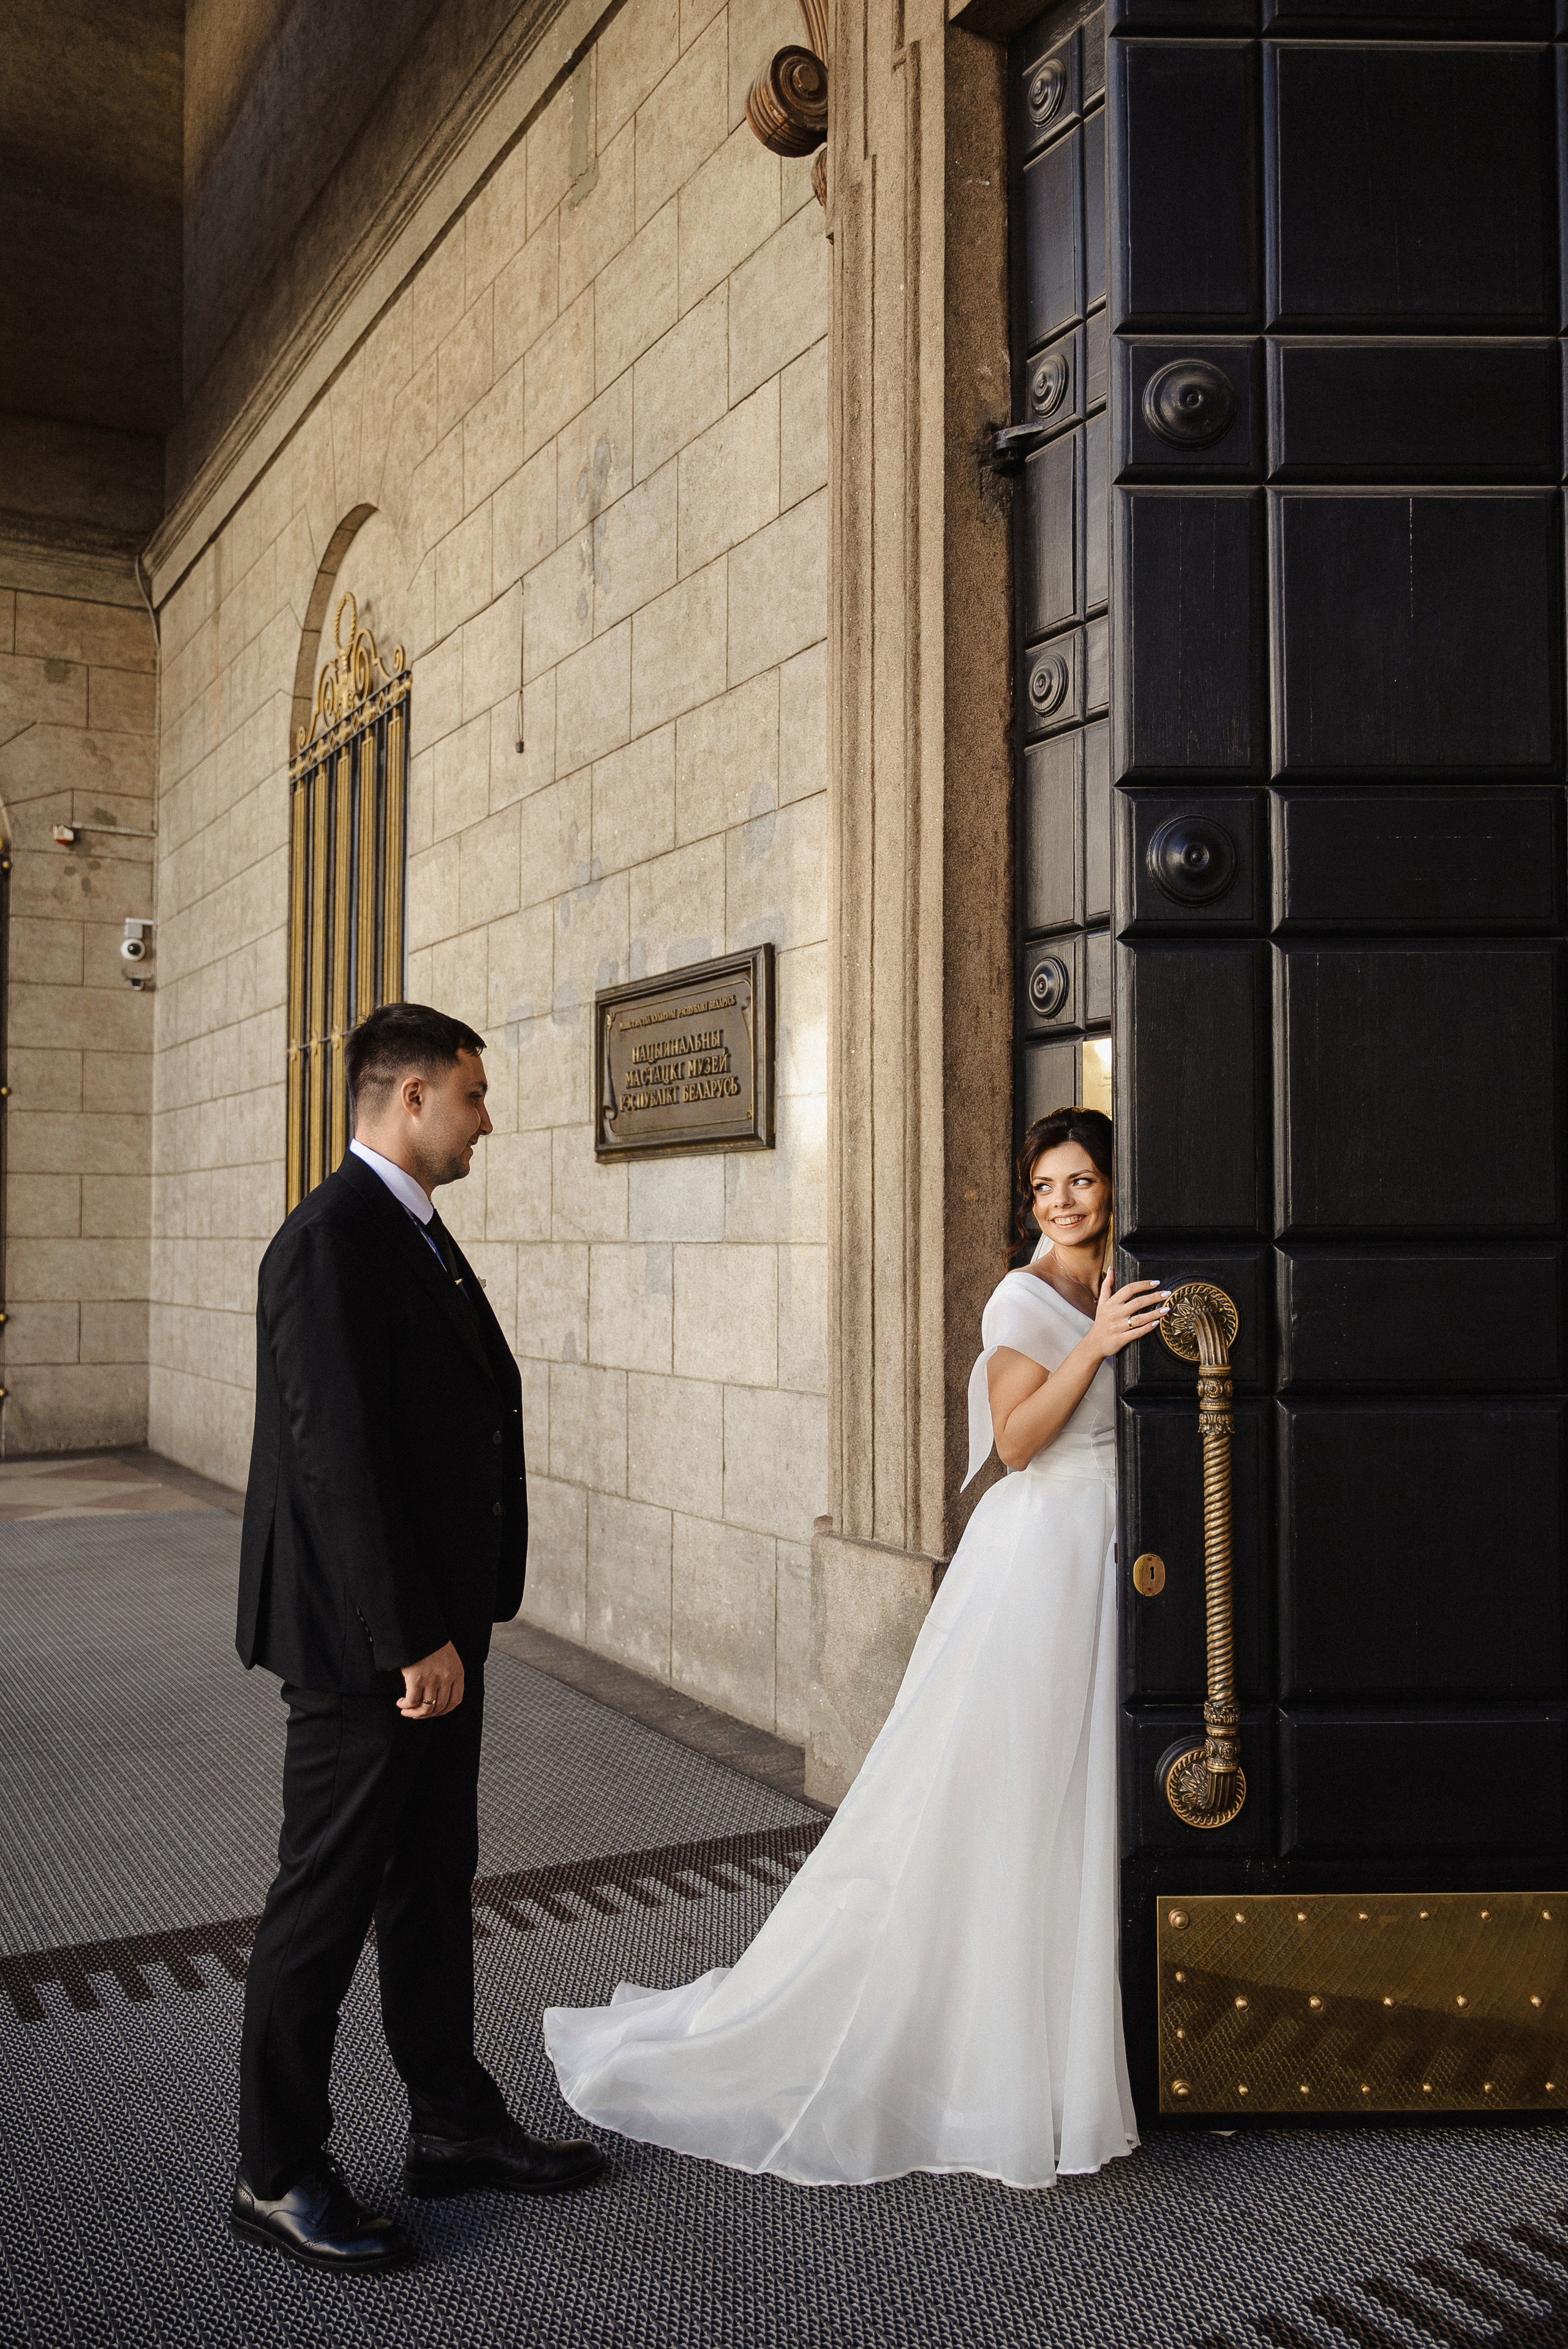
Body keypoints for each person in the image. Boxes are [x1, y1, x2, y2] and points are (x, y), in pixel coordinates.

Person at [543, 1104, 1166, 2190]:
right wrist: (1099, 1347)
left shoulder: (1136, 1275)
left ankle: (1084, 2031)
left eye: (1081, 1182)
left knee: (1087, 1795)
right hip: (1040, 1556)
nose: (1065, 1202)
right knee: (1012, 1789)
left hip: (1117, 1550)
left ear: (1114, 1185)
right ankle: (984, 2048)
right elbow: (1017, 1446)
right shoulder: (1023, 1296)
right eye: (1046, 1188)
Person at [232, 1001, 603, 2275]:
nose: (487, 1118)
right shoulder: (329, 1241)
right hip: (369, 1652)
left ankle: (449, 2122)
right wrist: (406, 1643)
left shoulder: (413, 1233)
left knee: (430, 1890)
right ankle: (274, 2169)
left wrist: (450, 1630)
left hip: (440, 1639)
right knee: (322, 1907)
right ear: (407, 1101)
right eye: (473, 1095)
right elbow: (335, 1463)